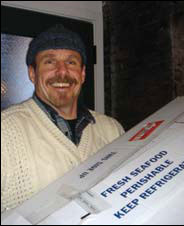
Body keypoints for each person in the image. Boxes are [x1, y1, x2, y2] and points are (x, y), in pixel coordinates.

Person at [1, 24, 124, 213]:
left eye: (71, 62)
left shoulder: (112, 130)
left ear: (82, 74)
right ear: (32, 73)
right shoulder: (5, 132)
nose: (62, 72)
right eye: (49, 62)